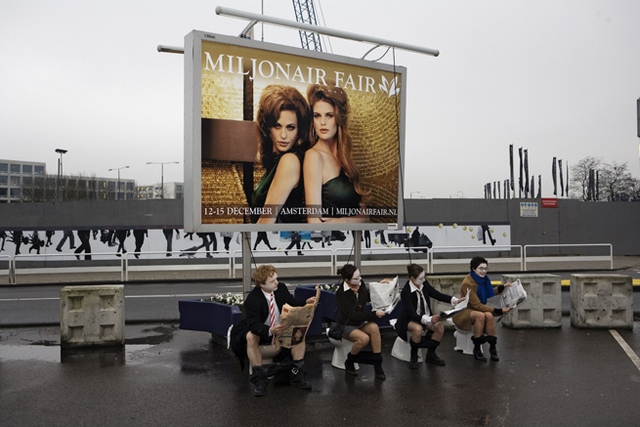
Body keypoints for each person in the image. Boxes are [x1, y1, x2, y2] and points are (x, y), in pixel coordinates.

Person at [230, 265, 317, 397]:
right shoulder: (253, 299)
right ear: (261, 284)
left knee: (299, 333)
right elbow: (254, 324)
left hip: (279, 327)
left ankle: (298, 376)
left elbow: (291, 302)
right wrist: (270, 330)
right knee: (251, 337)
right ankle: (260, 380)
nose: (276, 282)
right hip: (263, 330)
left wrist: (305, 302)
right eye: (272, 281)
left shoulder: (280, 288)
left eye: (276, 279)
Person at [303, 83, 368, 223]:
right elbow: (314, 223)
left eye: (329, 115)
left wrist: (339, 222)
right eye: (317, 116)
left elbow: (366, 216)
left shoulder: (346, 156)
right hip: (329, 242)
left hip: (356, 240)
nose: (322, 122)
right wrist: (353, 221)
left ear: (338, 118)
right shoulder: (313, 157)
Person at [251, 84, 311, 224]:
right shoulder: (276, 163)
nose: (283, 135)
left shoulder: (289, 161)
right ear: (267, 128)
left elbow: (266, 222)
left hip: (279, 243)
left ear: (299, 131)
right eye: (277, 126)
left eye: (290, 127)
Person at [396, 263, 463, 369]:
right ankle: (414, 355)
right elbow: (412, 314)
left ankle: (431, 354)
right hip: (409, 319)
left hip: (425, 316)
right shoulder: (406, 292)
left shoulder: (423, 283)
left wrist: (454, 300)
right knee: (417, 329)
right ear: (412, 278)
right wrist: (429, 319)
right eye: (420, 278)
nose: (423, 280)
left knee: (439, 327)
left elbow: (436, 294)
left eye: (424, 277)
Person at [452, 256, 511, 362]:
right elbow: (477, 306)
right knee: (481, 315)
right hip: (464, 310)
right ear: (474, 269)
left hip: (476, 309)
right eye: (481, 268)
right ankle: (477, 348)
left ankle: (493, 349)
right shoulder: (467, 283)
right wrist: (498, 311)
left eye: (485, 268)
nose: (483, 271)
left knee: (488, 315)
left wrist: (502, 288)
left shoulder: (483, 280)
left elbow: (489, 292)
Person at [334, 264, 387, 379]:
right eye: (356, 278)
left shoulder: (360, 284)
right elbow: (353, 315)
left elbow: (368, 297)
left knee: (374, 328)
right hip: (346, 324)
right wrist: (374, 315)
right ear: (347, 280)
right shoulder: (341, 294)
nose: (360, 279)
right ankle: (350, 360)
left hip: (360, 322)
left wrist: (380, 286)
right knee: (364, 339)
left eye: (360, 276)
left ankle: (377, 363)